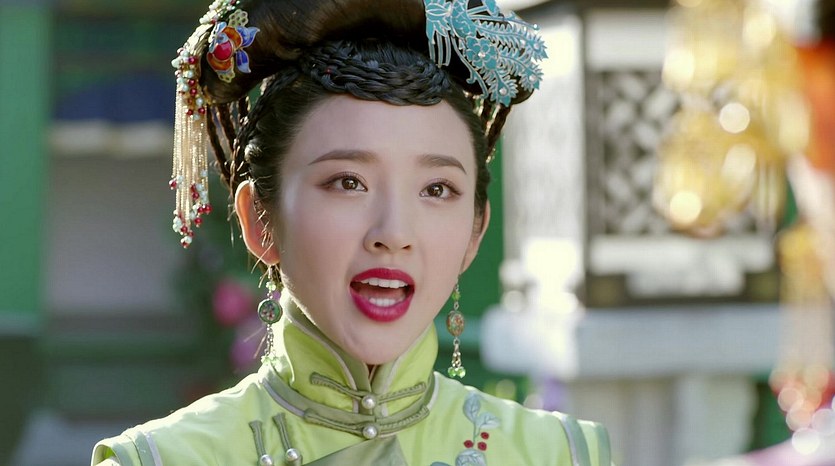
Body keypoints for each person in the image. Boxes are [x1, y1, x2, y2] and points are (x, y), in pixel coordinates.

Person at [91, 0, 611, 464]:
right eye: (348, 182)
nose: (394, 233)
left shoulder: (559, 455)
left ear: (475, 231)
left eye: (436, 189)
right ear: (259, 220)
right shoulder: (166, 459)